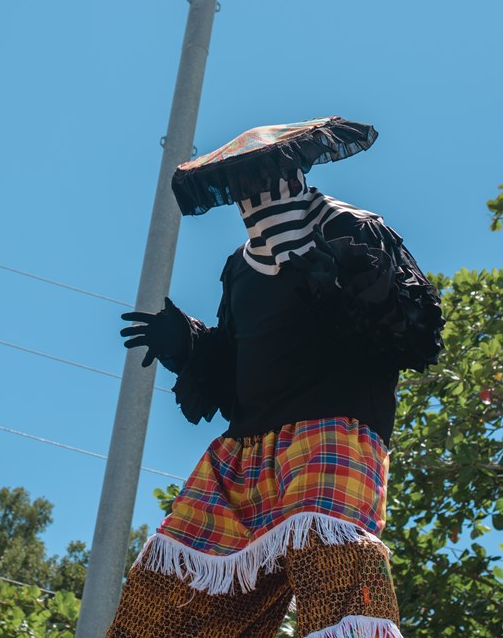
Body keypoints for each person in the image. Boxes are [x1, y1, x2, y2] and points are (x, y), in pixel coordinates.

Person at [106, 118, 444, 638]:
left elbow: (412, 332)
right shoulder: (239, 268)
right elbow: (231, 369)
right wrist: (189, 344)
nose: (255, 195)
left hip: (333, 435)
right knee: (175, 592)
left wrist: (340, 287)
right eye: (243, 185)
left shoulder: (351, 228)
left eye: (264, 177)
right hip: (244, 452)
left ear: (293, 173)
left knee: (336, 575)